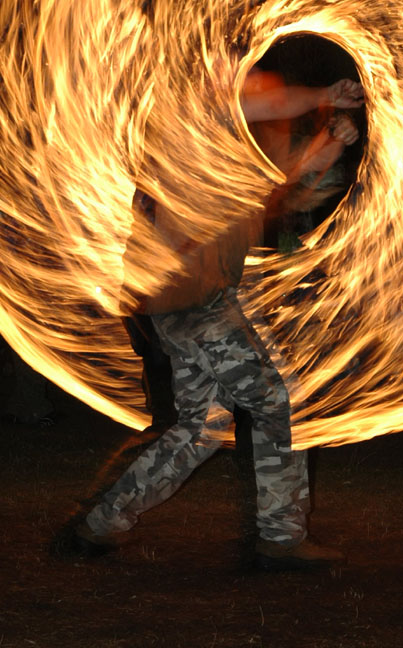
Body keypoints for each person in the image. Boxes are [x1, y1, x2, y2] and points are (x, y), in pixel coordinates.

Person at [61, 75, 363, 570]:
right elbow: (261, 100)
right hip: (194, 300)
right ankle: (281, 537)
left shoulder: (227, 154)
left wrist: (333, 141)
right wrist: (324, 96)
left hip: (194, 300)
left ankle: (100, 525)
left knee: (202, 428)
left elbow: (286, 176)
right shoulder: (188, 118)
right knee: (275, 402)